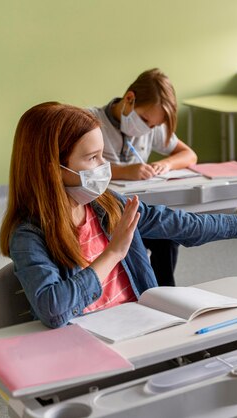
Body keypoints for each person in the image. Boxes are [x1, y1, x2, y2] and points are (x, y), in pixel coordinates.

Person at [0, 102, 237, 330]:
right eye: (92, 158)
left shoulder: (107, 205)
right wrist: (114, 252)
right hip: (85, 345)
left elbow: (181, 224)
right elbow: (53, 310)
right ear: (53, 169)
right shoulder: (28, 235)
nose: (104, 166)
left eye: (102, 154)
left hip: (140, 329)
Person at [88, 68, 197, 287]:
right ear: (129, 99)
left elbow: (189, 155)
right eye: (145, 120)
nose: (148, 129)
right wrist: (122, 171)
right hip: (100, 213)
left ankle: (165, 295)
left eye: (154, 126)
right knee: (130, 244)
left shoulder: (153, 128)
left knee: (167, 236)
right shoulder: (90, 122)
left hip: (135, 212)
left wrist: (164, 163)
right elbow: (77, 169)